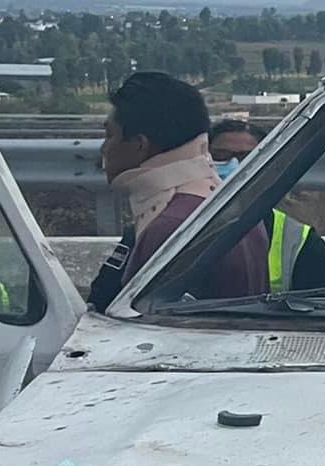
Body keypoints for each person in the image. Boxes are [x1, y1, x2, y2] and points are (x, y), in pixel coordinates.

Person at [90, 73, 266, 311]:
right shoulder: (234, 210)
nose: (104, 148)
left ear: (140, 145)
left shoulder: (170, 228)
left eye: (109, 135)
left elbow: (142, 329)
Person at [208, 117, 325, 294]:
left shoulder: (297, 240)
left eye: (248, 158)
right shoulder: (177, 227)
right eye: (221, 156)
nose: (235, 166)